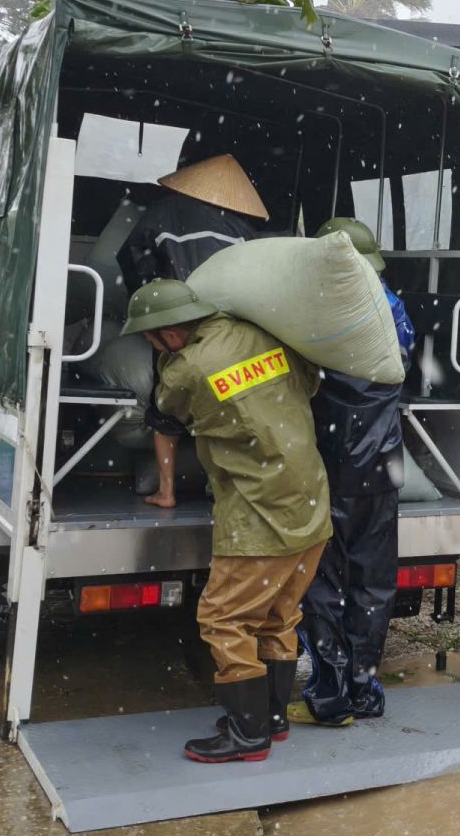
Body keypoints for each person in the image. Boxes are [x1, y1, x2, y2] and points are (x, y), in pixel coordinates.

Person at [124, 277, 329, 763]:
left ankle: (247, 733)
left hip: (260, 513)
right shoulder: (260, 333)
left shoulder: (188, 369)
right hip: (309, 499)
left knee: (223, 618)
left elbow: (167, 408)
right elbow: (311, 382)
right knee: (279, 614)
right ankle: (272, 717)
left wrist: (167, 361)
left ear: (168, 334)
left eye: (150, 339)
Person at [297, 216, 417, 725]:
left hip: (327, 463)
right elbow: (403, 364)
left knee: (321, 578)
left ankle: (329, 693)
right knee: (373, 579)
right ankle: (365, 688)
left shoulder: (308, 309)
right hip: (382, 464)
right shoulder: (392, 307)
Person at [116, 154, 267, 509]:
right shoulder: (242, 229)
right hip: (227, 328)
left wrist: (149, 301)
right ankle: (221, 487)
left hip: (173, 320)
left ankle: (166, 491)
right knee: (225, 403)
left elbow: (130, 258)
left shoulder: (163, 212)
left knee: (165, 406)